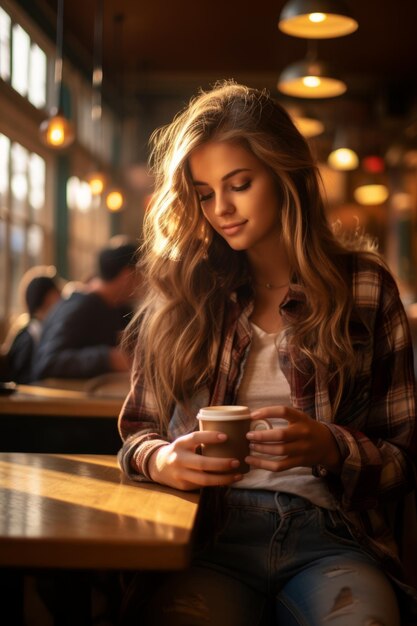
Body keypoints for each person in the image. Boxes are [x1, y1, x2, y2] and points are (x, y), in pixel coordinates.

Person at [117, 82, 417, 626]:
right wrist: (164, 459)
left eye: (239, 184)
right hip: (208, 537)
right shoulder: (184, 292)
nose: (221, 209)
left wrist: (330, 447)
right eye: (205, 193)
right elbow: (136, 434)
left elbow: (405, 457)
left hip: (332, 540)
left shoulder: (365, 287)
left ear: (286, 176)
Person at [31, 241, 139, 381]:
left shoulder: (116, 307)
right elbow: (48, 363)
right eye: (141, 274)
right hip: (53, 399)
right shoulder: (81, 306)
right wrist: (108, 359)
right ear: (127, 275)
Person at [5, 273, 61, 383]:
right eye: (58, 295)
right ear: (48, 298)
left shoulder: (44, 331)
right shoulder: (28, 337)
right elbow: (20, 381)